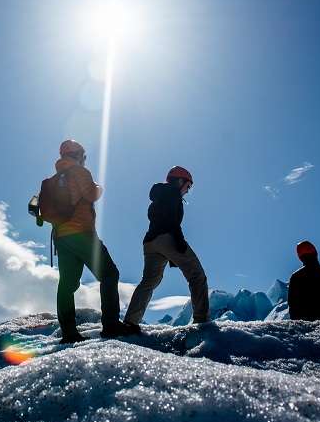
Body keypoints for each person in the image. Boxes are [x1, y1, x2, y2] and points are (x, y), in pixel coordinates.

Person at [49, 139, 135, 343]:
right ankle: (111, 325)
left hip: (61, 238)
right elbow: (92, 194)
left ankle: (69, 333)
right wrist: (98, 187)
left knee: (67, 285)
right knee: (109, 274)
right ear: (77, 154)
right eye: (83, 156)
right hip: (82, 233)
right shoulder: (79, 172)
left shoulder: (53, 179)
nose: (84, 160)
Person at [124, 166, 209, 330]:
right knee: (197, 275)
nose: (187, 190)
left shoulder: (160, 194)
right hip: (166, 237)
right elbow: (171, 220)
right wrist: (179, 241)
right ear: (179, 181)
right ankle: (202, 322)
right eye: (188, 186)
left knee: (149, 281)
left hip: (150, 242)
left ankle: (130, 322)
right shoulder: (172, 193)